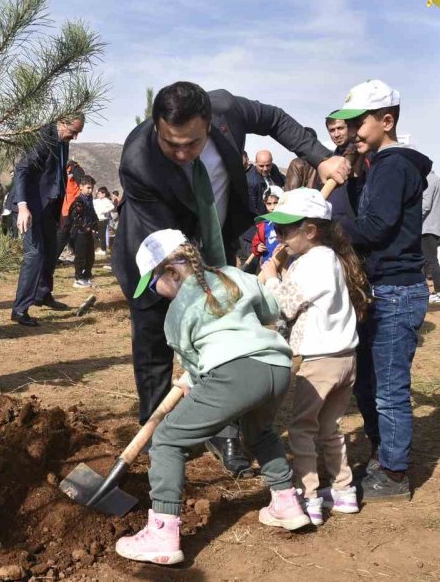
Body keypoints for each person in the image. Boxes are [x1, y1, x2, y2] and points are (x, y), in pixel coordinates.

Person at [111, 80, 351, 476]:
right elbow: (170, 247)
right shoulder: (139, 161)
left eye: (192, 143)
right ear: (156, 127)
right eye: (171, 144)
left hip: (216, 242)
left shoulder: (226, 109)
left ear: (210, 124)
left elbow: (275, 119)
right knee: (155, 341)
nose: (182, 153)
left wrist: (321, 157)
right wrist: (204, 296)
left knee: (225, 341)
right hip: (157, 257)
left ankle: (224, 432)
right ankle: (158, 433)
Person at [115, 229, 304, 566]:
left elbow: (195, 367)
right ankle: (286, 503)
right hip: (276, 367)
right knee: (259, 431)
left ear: (172, 272)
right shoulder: (232, 274)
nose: (156, 292)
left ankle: (162, 533)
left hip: (233, 374)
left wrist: (197, 378)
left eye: (154, 283)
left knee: (168, 439)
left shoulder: (176, 314)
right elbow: (271, 310)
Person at [330, 79, 432, 501]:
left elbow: (374, 228)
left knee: (388, 388)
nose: (352, 130)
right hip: (379, 289)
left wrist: (323, 225)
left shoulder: (393, 166)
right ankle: (381, 454)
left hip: (396, 290)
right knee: (368, 385)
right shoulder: (376, 165)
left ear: (387, 121)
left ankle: (393, 474)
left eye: (360, 122)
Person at [257, 188, 369, 525]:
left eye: (285, 230)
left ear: (310, 230)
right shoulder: (329, 258)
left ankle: (308, 497)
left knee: (302, 429)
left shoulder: (313, 262)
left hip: (321, 360)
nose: (279, 238)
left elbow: (286, 305)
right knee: (330, 427)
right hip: (345, 358)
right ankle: (344, 490)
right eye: (276, 230)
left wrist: (272, 277)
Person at [9, 115, 85, 326]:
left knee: (51, 251)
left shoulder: (63, 142)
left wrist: (58, 210)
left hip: (49, 207)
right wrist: (22, 206)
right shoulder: (44, 137)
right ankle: (20, 309)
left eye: (78, 133)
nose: (75, 137)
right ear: (62, 123)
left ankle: (43, 294)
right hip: (29, 207)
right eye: (74, 131)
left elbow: (56, 176)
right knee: (35, 254)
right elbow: (22, 169)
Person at [421, 170, 440, 303]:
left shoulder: (429, 180)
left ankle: (438, 292)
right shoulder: (438, 180)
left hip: (427, 227)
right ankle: (437, 291)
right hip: (434, 226)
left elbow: (425, 205)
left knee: (430, 260)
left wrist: (412, 219)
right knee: (430, 260)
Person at [69, 175, 98, 288]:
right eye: (88, 187)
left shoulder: (89, 199)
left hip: (88, 232)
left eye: (92, 188)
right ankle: (78, 279)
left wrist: (95, 224)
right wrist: (86, 227)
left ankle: (86, 277)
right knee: (80, 256)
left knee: (90, 256)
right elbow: (76, 218)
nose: (90, 190)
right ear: (81, 187)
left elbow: (92, 213)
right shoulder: (79, 201)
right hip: (79, 233)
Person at [249, 186, 284, 266]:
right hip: (267, 264)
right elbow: (255, 243)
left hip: (285, 264)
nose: (272, 207)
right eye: (269, 204)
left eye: (275, 203)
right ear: (265, 204)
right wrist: (258, 247)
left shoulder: (288, 222)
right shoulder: (263, 224)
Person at [93, 186, 114, 253]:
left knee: (102, 235)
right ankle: (96, 247)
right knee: (96, 234)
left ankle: (103, 249)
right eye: (98, 194)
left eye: (99, 194)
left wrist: (103, 211)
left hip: (103, 220)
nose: (98, 195)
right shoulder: (96, 201)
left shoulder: (107, 201)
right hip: (96, 219)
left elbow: (112, 207)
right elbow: (92, 203)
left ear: (104, 194)